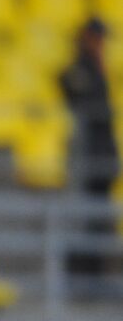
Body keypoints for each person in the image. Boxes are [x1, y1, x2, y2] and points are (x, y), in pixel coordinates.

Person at [59, 16, 120, 282]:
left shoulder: (94, 67)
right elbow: (66, 83)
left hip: (99, 155)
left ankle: (94, 274)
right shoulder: (82, 68)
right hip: (89, 154)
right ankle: (86, 275)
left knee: (98, 219)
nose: (101, 43)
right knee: (88, 218)